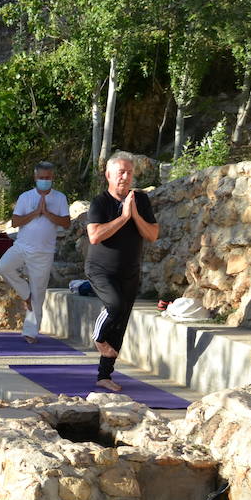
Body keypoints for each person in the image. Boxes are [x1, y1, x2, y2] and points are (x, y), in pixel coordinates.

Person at [86, 152, 158, 392]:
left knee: (120, 325)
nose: (125, 177)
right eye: (120, 172)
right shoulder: (100, 202)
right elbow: (94, 236)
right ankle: (97, 338)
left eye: (129, 172)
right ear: (109, 175)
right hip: (100, 270)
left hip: (130, 272)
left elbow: (152, 235)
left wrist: (134, 214)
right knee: (114, 306)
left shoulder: (141, 200)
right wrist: (123, 216)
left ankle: (104, 375)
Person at [0, 162, 71, 342]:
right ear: (35, 177)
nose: (44, 181)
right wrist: (36, 212)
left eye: (47, 178)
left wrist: (47, 213)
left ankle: (30, 333)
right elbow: (15, 221)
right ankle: (26, 293)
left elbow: (66, 223)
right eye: (41, 178)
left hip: (44, 252)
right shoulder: (25, 197)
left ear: (52, 177)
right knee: (3, 266)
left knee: (38, 294)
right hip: (22, 247)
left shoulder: (60, 198)